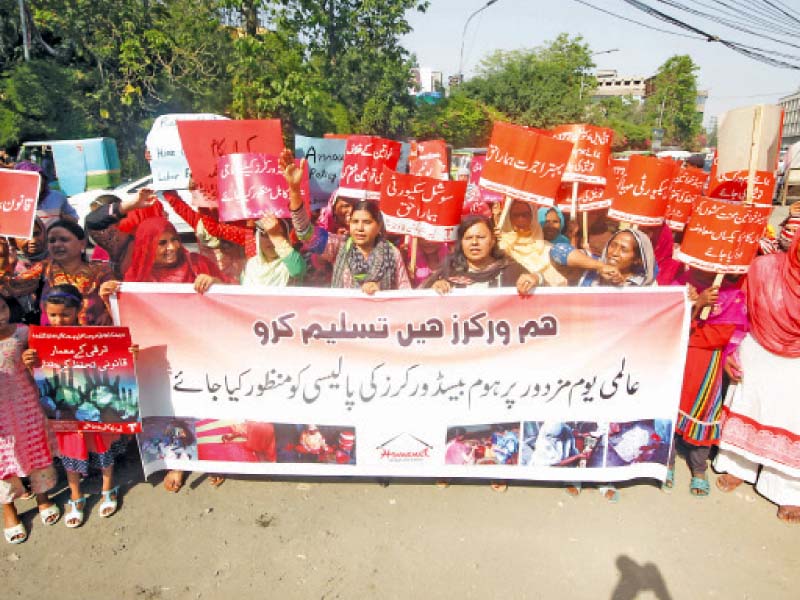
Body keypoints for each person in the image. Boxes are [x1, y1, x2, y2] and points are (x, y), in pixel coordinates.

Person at [713, 229, 800, 524]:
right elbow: (740, 308)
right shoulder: (764, 268)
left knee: (791, 419)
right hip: (757, 348)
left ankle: (787, 489)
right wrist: (731, 350)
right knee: (749, 405)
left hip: (797, 361)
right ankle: (738, 466)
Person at [22, 285, 125, 528]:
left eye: (64, 314)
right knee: (70, 452)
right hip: (64, 411)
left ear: (78, 310)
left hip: (93, 406)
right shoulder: (41, 341)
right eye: (53, 315)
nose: (58, 320)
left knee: (102, 448)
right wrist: (29, 362)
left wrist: (128, 352)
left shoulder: (93, 335)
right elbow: (38, 377)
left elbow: (116, 359)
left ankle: (108, 488)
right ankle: (76, 496)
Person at [282, 151, 411, 294]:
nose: (360, 228)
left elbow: (405, 295)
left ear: (379, 226)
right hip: (342, 315)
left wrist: (380, 293)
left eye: (367, 222)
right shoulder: (339, 247)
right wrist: (294, 190)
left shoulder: (392, 253)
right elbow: (305, 233)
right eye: (355, 222)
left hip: (380, 315)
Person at [667, 270, 747, 496]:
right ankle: (668, 461)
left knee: (704, 414)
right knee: (671, 410)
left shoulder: (732, 295)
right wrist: (696, 304)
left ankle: (699, 468)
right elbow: (669, 323)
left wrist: (693, 324)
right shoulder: (682, 282)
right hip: (679, 359)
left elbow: (721, 336)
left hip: (708, 366)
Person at [1, 295, 60, 543]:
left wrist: (31, 360)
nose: (0, 314)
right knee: (3, 463)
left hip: (27, 407)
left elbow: (46, 359)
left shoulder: (23, 332)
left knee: (37, 451)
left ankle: (43, 498)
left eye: (2, 307)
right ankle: (9, 512)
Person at [3, 220, 114, 327]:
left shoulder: (102, 271)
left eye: (64, 240)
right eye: (52, 241)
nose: (57, 245)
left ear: (82, 243)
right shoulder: (44, 268)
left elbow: (117, 300)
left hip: (92, 337)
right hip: (52, 338)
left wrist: (108, 313)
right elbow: (12, 288)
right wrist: (8, 265)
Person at [423, 214, 540, 295]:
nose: (474, 242)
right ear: (461, 243)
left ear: (493, 240)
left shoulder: (510, 270)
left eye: (481, 237)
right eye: (468, 238)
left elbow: (548, 298)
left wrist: (536, 278)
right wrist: (435, 289)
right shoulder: (449, 273)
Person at [496, 200, 567, 286]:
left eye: (525, 214)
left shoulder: (548, 248)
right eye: (515, 215)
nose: (521, 219)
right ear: (508, 218)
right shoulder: (500, 247)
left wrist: (538, 278)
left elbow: (560, 283)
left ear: (533, 216)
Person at [240, 214, 306, 287]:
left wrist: (275, 236)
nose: (270, 240)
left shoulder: (292, 262)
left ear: (286, 238)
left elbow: (297, 271)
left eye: (278, 234)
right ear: (258, 238)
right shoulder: (251, 265)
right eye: (265, 235)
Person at [14, 161, 78, 226]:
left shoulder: (57, 197)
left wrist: (61, 216)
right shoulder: (13, 202)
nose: (38, 183)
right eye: (30, 180)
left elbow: (75, 219)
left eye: (39, 178)